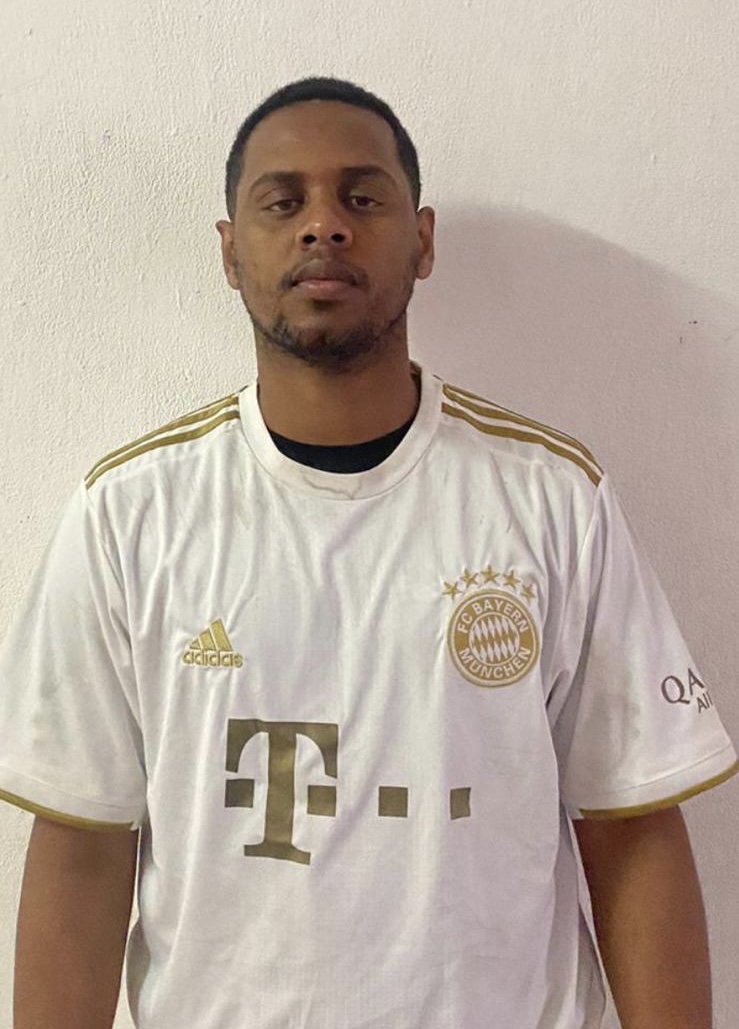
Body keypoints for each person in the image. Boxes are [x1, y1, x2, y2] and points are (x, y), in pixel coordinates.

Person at [2, 76, 736, 1029]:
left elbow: (629, 824)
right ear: (229, 252)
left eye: (360, 196)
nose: (324, 225)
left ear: (421, 241)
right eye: (282, 202)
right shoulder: (129, 514)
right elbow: (82, 849)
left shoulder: (552, 499)